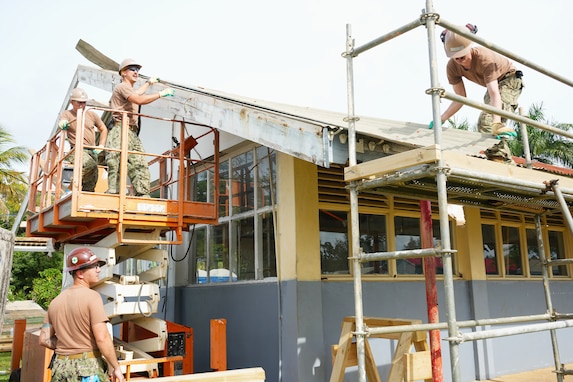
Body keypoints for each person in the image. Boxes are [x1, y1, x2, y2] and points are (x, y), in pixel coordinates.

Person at [435, 25, 524, 163]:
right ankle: (499, 159)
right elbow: (460, 98)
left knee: (487, 121)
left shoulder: (484, 58)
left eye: (463, 57)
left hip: (509, 79)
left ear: (469, 49)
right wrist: (442, 118)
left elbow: (495, 94)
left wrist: (496, 123)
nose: (460, 61)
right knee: (486, 125)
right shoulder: (452, 67)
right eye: (456, 58)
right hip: (494, 86)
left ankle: (502, 161)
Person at [40, 247, 125, 382]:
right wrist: (116, 367)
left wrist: (67, 346)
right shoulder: (93, 297)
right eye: (94, 267)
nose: (99, 270)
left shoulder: (55, 302)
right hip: (87, 370)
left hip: (60, 369)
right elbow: (102, 337)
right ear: (80, 273)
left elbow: (44, 339)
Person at [106, 58, 174, 197]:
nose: (136, 72)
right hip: (121, 130)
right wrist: (160, 94)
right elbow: (138, 99)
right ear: (123, 73)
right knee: (116, 161)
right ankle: (114, 191)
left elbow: (138, 93)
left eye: (137, 70)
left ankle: (142, 192)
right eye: (132, 69)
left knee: (139, 163)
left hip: (131, 132)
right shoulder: (122, 87)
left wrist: (149, 83)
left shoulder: (129, 89)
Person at [58, 88, 108, 192]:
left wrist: (101, 145)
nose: (82, 105)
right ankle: (72, 184)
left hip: (91, 150)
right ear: (72, 102)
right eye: (79, 103)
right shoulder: (67, 114)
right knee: (89, 164)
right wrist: (62, 123)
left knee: (93, 178)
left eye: (84, 103)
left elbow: (103, 129)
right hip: (76, 149)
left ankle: (85, 201)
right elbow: (62, 120)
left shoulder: (91, 114)